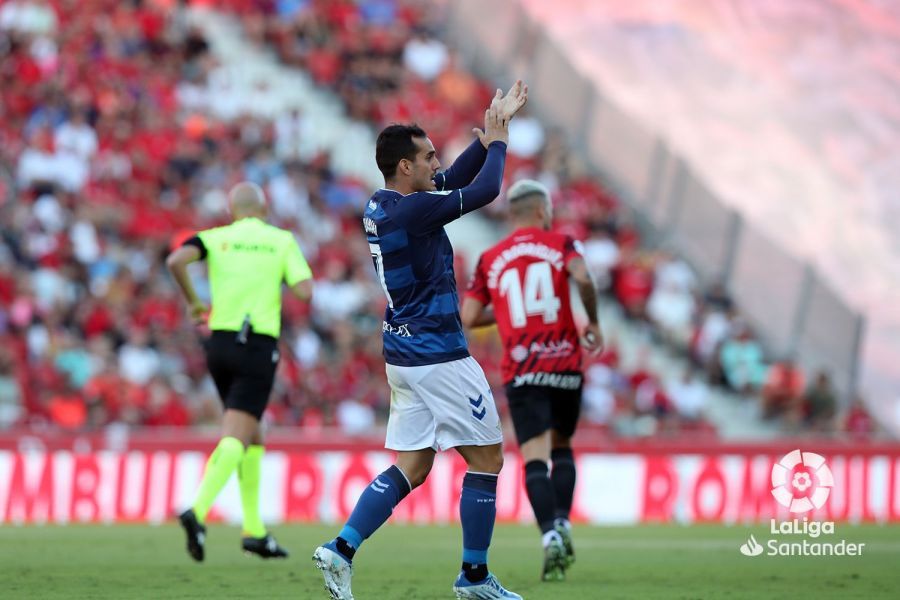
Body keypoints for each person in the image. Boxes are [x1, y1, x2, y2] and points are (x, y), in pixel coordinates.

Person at [313, 80, 528, 600]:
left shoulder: (385, 205)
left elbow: (451, 180)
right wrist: (498, 142)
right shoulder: (413, 210)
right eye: (428, 157)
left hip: (403, 354)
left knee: (413, 464)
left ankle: (340, 549)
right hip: (437, 353)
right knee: (488, 460)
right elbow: (483, 191)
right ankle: (473, 577)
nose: (437, 163)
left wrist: (486, 129)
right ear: (405, 167)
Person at [460, 179, 603, 581]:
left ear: (513, 215)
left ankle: (548, 537)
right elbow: (585, 279)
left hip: (524, 369)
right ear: (542, 212)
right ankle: (563, 523)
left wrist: (503, 311)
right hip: (565, 365)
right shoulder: (562, 244)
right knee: (563, 446)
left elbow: (470, 317)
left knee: (535, 457)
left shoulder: (492, 258)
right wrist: (591, 321)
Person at [166, 182, 313, 562]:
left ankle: (255, 531)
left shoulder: (215, 238)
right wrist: (276, 275)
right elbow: (305, 291)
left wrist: (196, 304)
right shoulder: (280, 240)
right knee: (238, 431)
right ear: (263, 208)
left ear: (232, 209)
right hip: (257, 344)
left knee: (253, 431)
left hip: (219, 344)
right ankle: (197, 511)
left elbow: (175, 262)